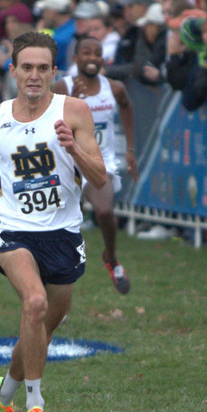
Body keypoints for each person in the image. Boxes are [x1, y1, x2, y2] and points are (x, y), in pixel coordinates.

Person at [0, 30, 106, 412]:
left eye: (43, 68)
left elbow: (100, 177)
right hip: (16, 232)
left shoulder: (72, 111)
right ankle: (34, 407)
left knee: (41, 325)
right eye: (27, 68)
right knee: (33, 303)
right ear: (13, 71)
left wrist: (73, 149)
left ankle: (5, 389)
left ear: (54, 71)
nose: (35, 76)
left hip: (63, 234)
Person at [52, 36, 138, 293]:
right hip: (67, 164)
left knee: (103, 210)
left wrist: (130, 149)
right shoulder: (62, 87)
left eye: (97, 54)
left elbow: (126, 107)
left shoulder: (114, 88)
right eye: (86, 53)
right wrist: (70, 104)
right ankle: (56, 281)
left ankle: (110, 258)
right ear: (76, 58)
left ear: (103, 59)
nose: (92, 58)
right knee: (59, 226)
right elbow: (43, 119)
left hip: (101, 161)